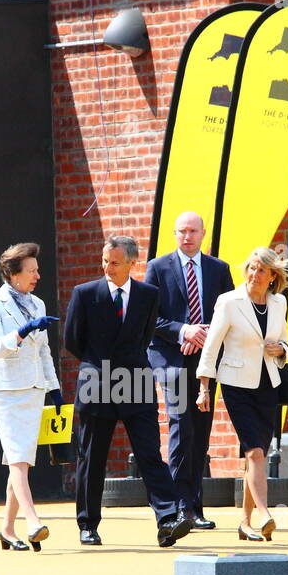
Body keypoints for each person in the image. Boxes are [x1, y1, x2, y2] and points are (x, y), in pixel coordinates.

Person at [63, 235, 192, 548]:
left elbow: (145, 335)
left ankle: (168, 519)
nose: (108, 267)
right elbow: (72, 340)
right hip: (97, 382)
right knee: (93, 457)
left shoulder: (149, 294)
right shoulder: (85, 293)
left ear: (133, 263)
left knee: (150, 453)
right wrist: (99, 366)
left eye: (115, 262)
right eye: (106, 261)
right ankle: (88, 524)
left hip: (136, 380)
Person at [194, 246, 288, 541]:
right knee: (255, 452)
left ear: (272, 276)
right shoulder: (229, 301)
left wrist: (281, 350)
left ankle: (245, 522)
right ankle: (265, 514)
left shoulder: (278, 303)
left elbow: (284, 342)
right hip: (236, 385)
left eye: (261, 270)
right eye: (251, 267)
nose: (254, 274)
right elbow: (211, 346)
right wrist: (204, 388)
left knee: (256, 457)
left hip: (267, 384)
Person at [144, 211, 234, 530]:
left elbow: (230, 314)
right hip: (171, 357)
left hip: (207, 361)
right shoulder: (157, 268)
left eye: (193, 231)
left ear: (203, 233)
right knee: (181, 424)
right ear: (174, 234)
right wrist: (185, 330)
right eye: (182, 231)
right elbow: (149, 318)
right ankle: (178, 507)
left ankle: (195, 506)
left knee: (200, 431)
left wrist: (207, 334)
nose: (187, 237)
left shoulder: (219, 270)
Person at [0, 242, 61, 551]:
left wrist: (53, 388)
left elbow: (44, 352)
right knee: (17, 458)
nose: (37, 275)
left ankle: (6, 530)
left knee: (22, 462)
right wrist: (24, 329)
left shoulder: (38, 304)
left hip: (34, 390)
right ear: (13, 274)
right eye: (31, 271)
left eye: (37, 270)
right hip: (4, 392)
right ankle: (33, 521)